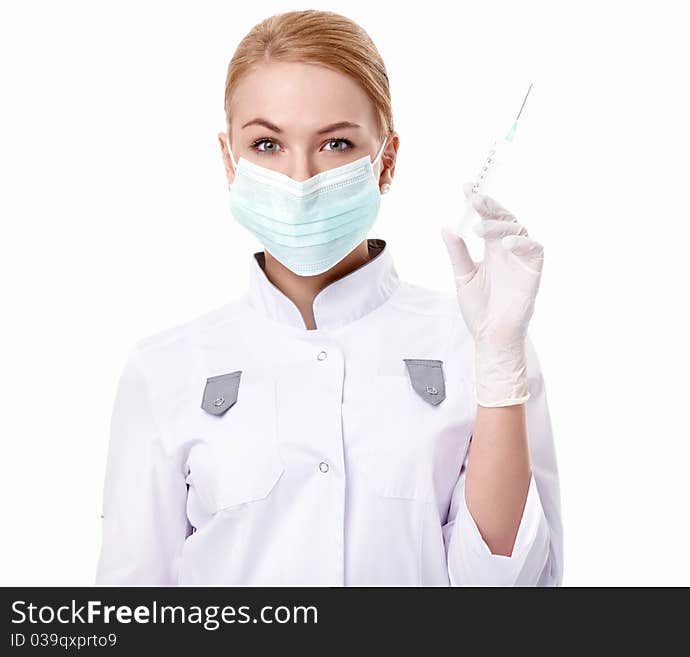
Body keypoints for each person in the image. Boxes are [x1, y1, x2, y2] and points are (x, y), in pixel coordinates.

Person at [95, 9, 562, 586]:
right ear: (229, 161)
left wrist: (498, 364)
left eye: (336, 143)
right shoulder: (164, 369)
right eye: (267, 144)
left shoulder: (479, 343)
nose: (299, 178)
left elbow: (507, 593)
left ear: (385, 160)